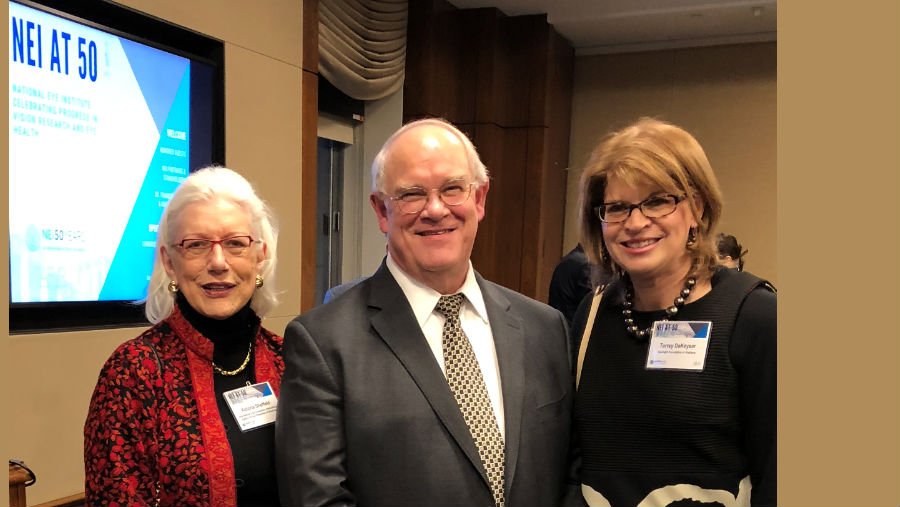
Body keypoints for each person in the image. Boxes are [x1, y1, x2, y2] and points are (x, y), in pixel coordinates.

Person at [276, 118, 580, 507]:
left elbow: (571, 474)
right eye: (412, 194)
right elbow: (317, 499)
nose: (435, 210)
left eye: (453, 189)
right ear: (381, 210)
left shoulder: (545, 328)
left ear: (480, 198)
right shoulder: (322, 344)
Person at [572, 118, 776, 506]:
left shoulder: (756, 317)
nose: (635, 223)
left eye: (657, 200)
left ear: (696, 207)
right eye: (617, 207)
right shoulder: (592, 314)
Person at [84, 167, 284, 507]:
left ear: (259, 255)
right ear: (170, 262)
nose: (218, 262)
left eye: (236, 243)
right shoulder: (133, 373)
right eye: (196, 246)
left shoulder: (290, 357)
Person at [548, 243, 593, 326]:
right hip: (573, 332)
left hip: (558, 327)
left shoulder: (572, 258)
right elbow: (593, 309)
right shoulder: (584, 264)